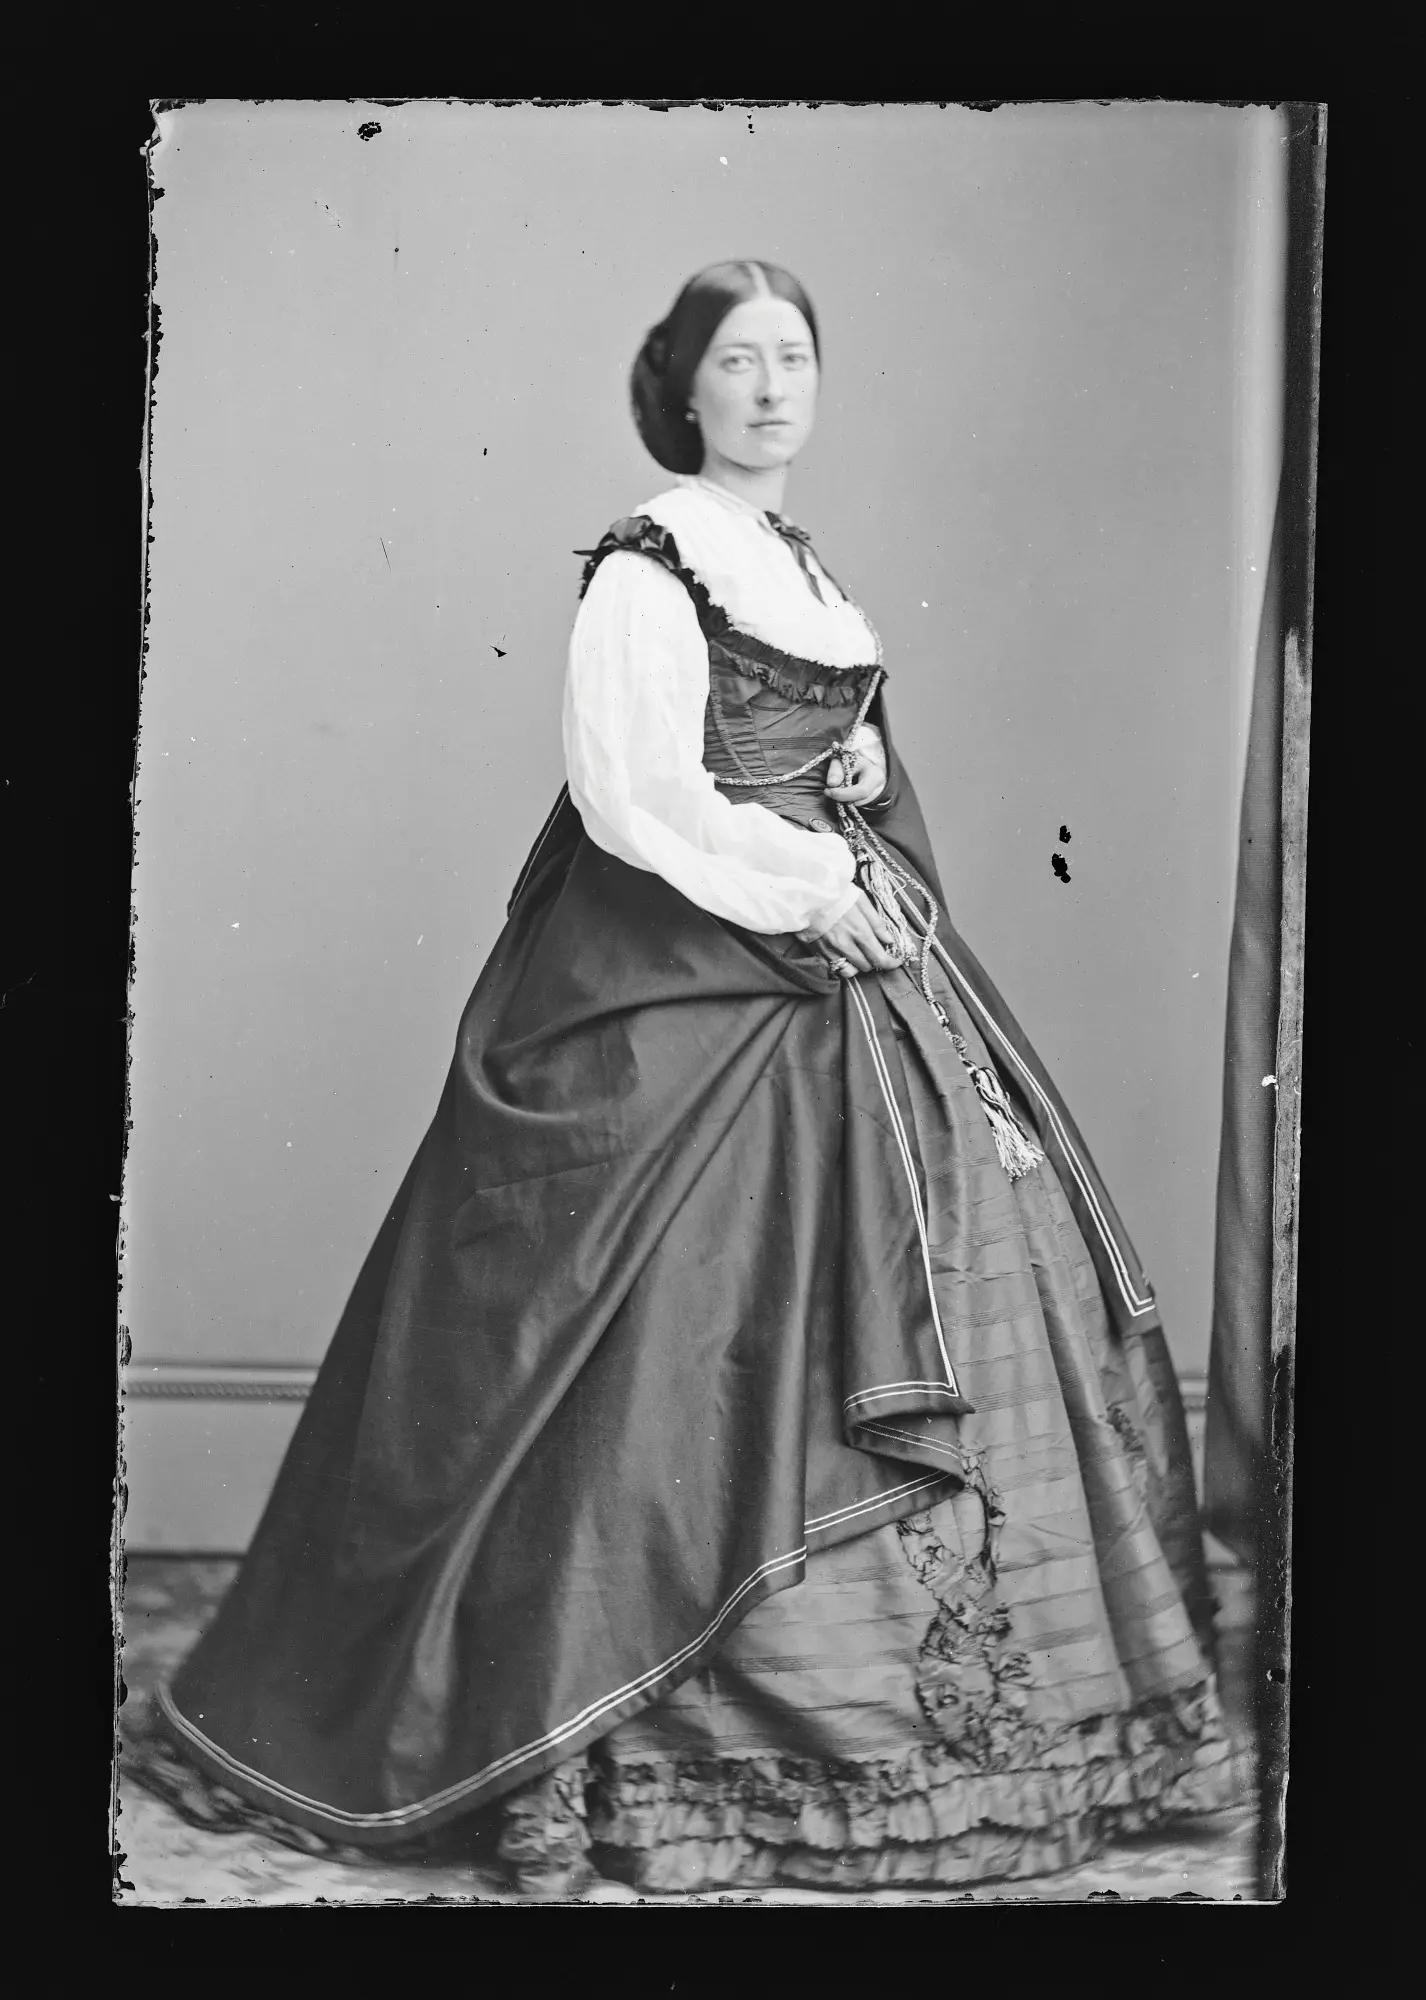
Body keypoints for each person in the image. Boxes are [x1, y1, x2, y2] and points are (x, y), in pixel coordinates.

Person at [129, 259, 1237, 1896]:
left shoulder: (801, 564)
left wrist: (859, 771)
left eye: (794, 358)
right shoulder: (647, 567)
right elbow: (633, 796)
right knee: (662, 1346)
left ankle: (976, 1743)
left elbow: (820, 739)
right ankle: (619, 1757)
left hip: (856, 953)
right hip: (693, 970)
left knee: (975, 1277)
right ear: (683, 386)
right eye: (738, 362)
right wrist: (813, 887)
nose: (772, 389)